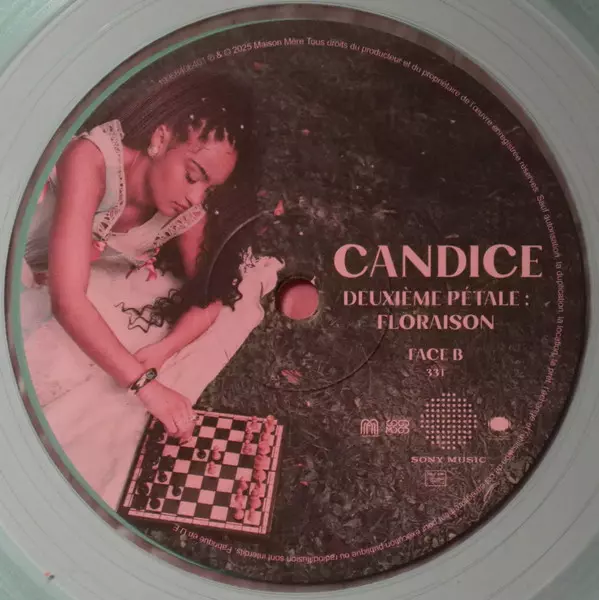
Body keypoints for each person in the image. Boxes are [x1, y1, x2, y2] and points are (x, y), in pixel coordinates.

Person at [19, 70, 284, 505]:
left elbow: (212, 294)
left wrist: (162, 351)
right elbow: (67, 301)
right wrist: (146, 385)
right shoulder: (91, 160)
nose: (196, 197)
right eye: (193, 175)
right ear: (160, 139)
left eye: (209, 188)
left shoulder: (187, 214)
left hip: (54, 273)